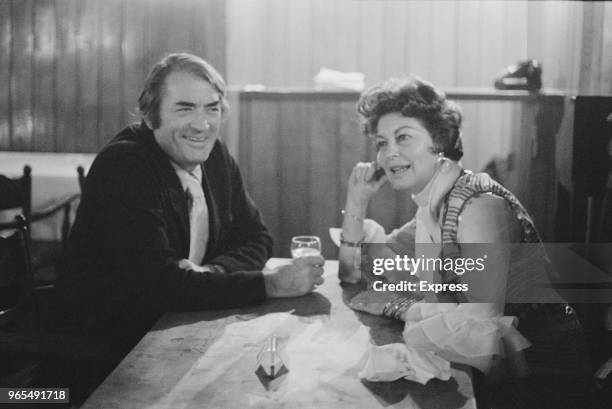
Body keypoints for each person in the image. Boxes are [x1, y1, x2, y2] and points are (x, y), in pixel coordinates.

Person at [49, 53, 323, 401]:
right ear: (152, 117)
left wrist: (211, 272)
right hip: (103, 358)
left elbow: (257, 238)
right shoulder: (126, 165)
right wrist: (268, 284)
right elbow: (161, 286)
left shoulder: (216, 156)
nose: (202, 124)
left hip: (176, 337)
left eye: (212, 108)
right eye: (184, 108)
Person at [339, 77, 599, 408]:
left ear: (439, 141)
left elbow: (482, 329)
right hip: (496, 372)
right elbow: (358, 272)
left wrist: (403, 308)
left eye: (403, 137)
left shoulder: (478, 206)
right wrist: (357, 200)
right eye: (381, 143)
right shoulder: (433, 208)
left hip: (543, 373)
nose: (389, 153)